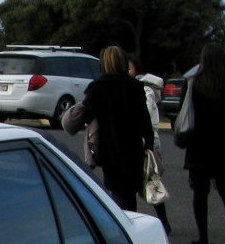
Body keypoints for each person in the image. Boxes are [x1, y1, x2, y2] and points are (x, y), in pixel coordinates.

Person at [66, 45, 152, 211]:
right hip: (132, 149)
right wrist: (148, 145)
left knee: (117, 194)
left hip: (109, 148)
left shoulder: (98, 87)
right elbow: (144, 121)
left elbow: (85, 115)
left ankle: (124, 229)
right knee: (129, 196)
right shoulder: (135, 86)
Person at [180, 42, 225, 244]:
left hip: (199, 146)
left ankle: (203, 237)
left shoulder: (194, 85)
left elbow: (185, 113)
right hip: (224, 147)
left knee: (200, 193)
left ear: (203, 60)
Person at [129, 55, 172, 233]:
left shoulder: (144, 89)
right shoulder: (135, 88)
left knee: (150, 180)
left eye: (129, 68)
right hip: (144, 141)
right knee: (144, 182)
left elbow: (147, 117)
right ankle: (162, 221)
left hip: (148, 143)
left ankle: (163, 222)